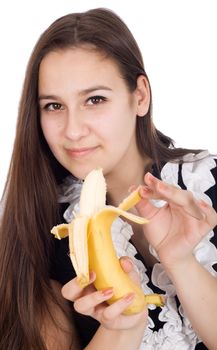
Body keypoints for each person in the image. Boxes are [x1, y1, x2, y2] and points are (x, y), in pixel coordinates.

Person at [0, 7, 217, 350]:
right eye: (54, 106)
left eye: (95, 99)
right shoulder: (40, 233)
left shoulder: (206, 185)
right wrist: (120, 329)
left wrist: (182, 263)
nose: (72, 131)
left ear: (140, 96)